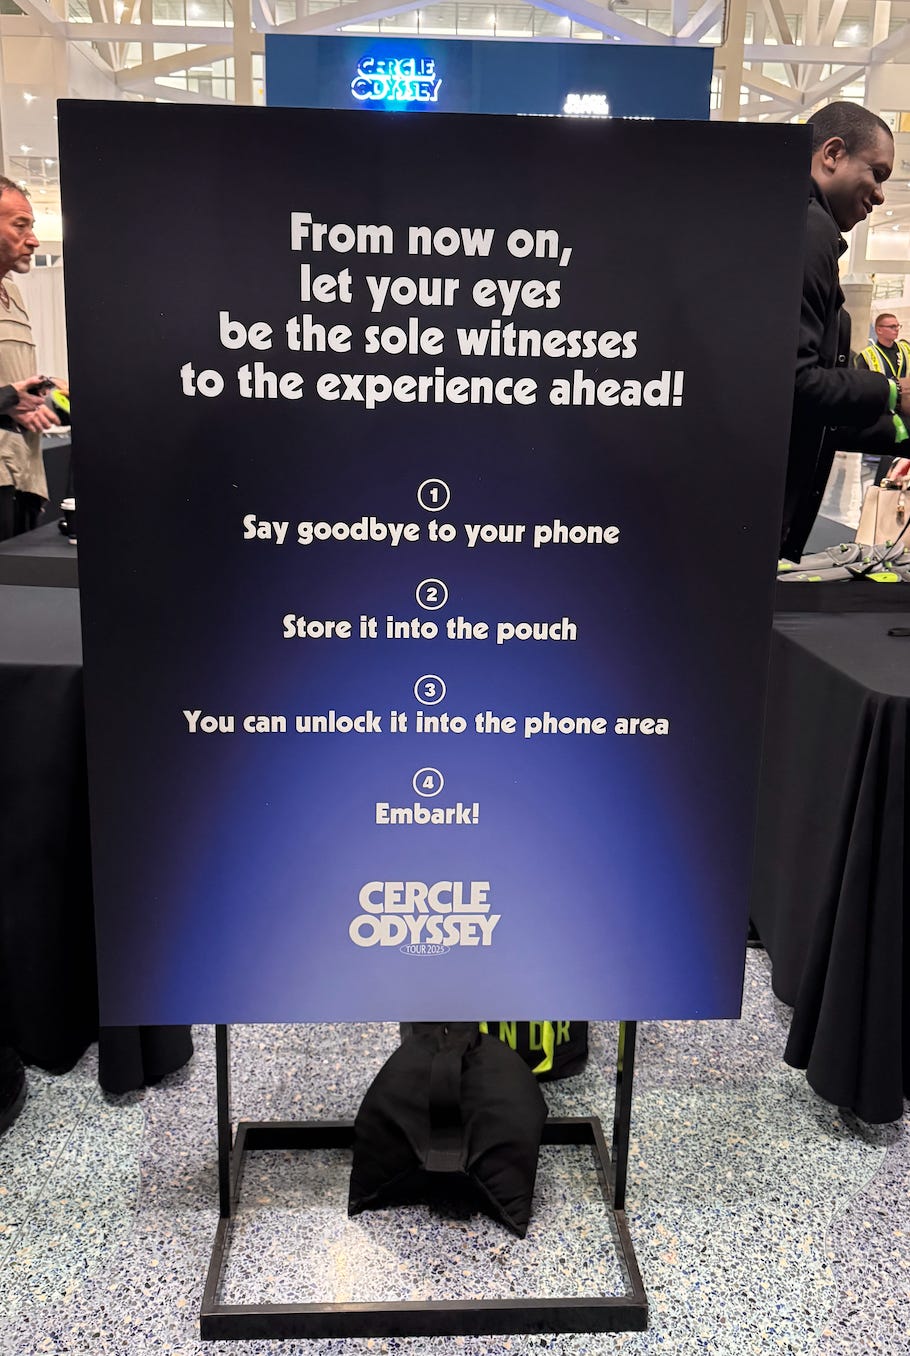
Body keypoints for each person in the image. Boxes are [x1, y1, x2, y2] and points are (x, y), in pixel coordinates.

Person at [781, 103, 910, 562]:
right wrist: (892, 391)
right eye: (877, 174)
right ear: (832, 153)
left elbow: (815, 412)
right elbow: (793, 383)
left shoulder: (791, 220)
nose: (880, 196)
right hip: (754, 511)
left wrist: (897, 425)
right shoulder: (809, 229)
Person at [0, 176, 59, 543]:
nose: (34, 240)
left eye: (31, 226)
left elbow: (14, 377)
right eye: (20, 225)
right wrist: (8, 398)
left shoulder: (12, 293)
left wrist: (47, 390)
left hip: (24, 473)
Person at [854, 313, 910, 486]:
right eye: (892, 326)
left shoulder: (906, 349)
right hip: (881, 419)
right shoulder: (866, 356)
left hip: (906, 417)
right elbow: (862, 391)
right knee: (877, 482)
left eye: (897, 326)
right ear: (879, 330)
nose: (896, 329)